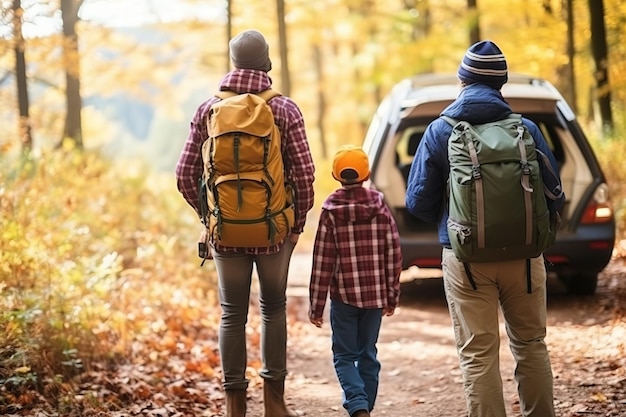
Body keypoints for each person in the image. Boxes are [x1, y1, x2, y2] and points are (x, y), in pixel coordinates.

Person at [405, 40, 564, 417]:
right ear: (500, 84)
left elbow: (417, 205)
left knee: (478, 354)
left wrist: (456, 210)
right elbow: (554, 193)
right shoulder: (525, 129)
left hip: (467, 259)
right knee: (531, 345)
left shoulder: (440, 130)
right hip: (525, 258)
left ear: (462, 81)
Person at [175, 29, 315, 417]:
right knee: (273, 308)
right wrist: (295, 222)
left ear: (234, 64)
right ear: (266, 62)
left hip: (226, 233)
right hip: (275, 230)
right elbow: (304, 176)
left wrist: (211, 217)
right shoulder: (285, 109)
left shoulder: (208, 109)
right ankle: (274, 404)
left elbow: (184, 175)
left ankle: (234, 406)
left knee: (231, 313)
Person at [309, 145, 402, 417]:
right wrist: (392, 295)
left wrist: (316, 306)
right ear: (367, 173)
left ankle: (358, 405)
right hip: (374, 297)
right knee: (368, 355)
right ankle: (364, 406)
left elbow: (322, 261)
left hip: (344, 298)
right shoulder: (380, 206)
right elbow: (393, 252)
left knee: (344, 356)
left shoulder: (329, 210)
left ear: (336, 176)